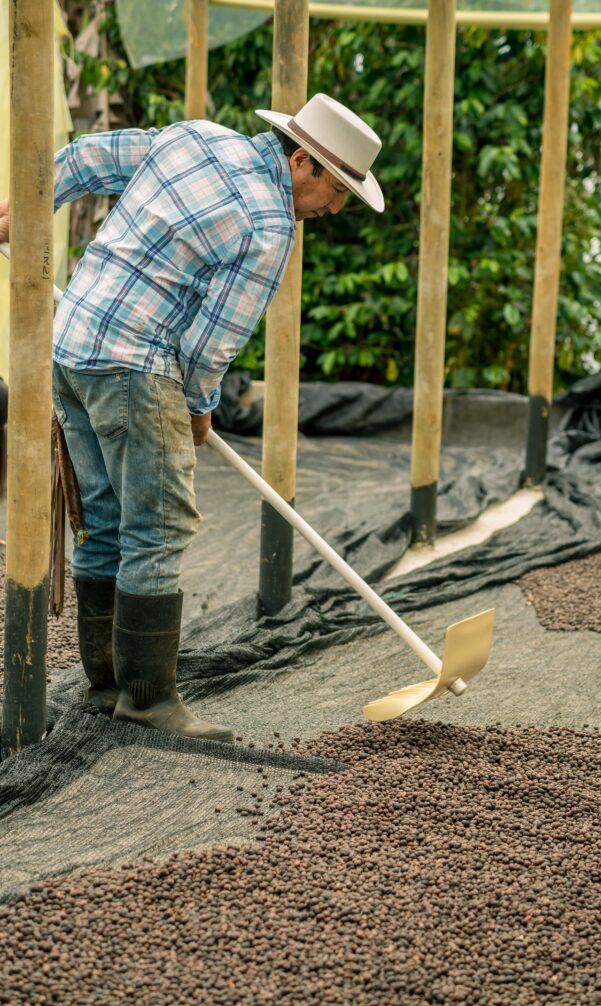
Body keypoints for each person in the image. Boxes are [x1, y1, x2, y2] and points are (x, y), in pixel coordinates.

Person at [0, 93, 384, 744]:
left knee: (100, 518)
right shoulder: (269, 227)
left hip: (72, 348)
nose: (336, 207)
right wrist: (200, 408)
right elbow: (212, 342)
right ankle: (148, 700)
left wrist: (20, 211)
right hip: (135, 368)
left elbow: (87, 159)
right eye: (338, 189)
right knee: (158, 525)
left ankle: (106, 686)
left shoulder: (196, 138)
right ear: (301, 162)